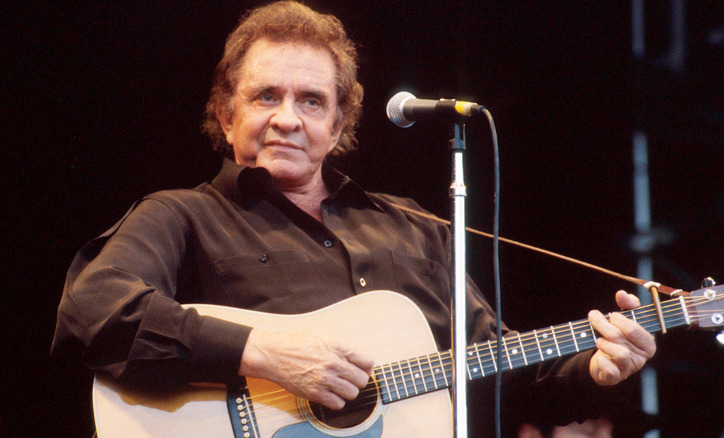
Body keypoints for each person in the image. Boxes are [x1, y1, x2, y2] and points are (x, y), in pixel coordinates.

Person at [51, 0, 656, 434]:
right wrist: (261, 352)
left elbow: (495, 367)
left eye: (311, 101)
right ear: (225, 114)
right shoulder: (182, 216)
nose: (288, 118)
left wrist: (596, 370)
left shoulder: (414, 227)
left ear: (337, 127)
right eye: (266, 96)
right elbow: (92, 310)